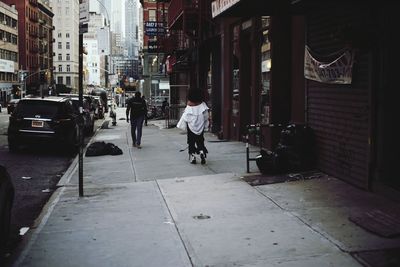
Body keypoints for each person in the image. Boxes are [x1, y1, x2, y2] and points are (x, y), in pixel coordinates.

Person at [177, 89, 209, 164]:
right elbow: (206, 116)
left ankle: (192, 156)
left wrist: (183, 125)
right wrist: (205, 125)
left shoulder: (189, 106)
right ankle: (201, 151)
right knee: (200, 140)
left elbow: (185, 117)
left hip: (191, 127)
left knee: (191, 141)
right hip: (200, 127)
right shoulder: (203, 105)